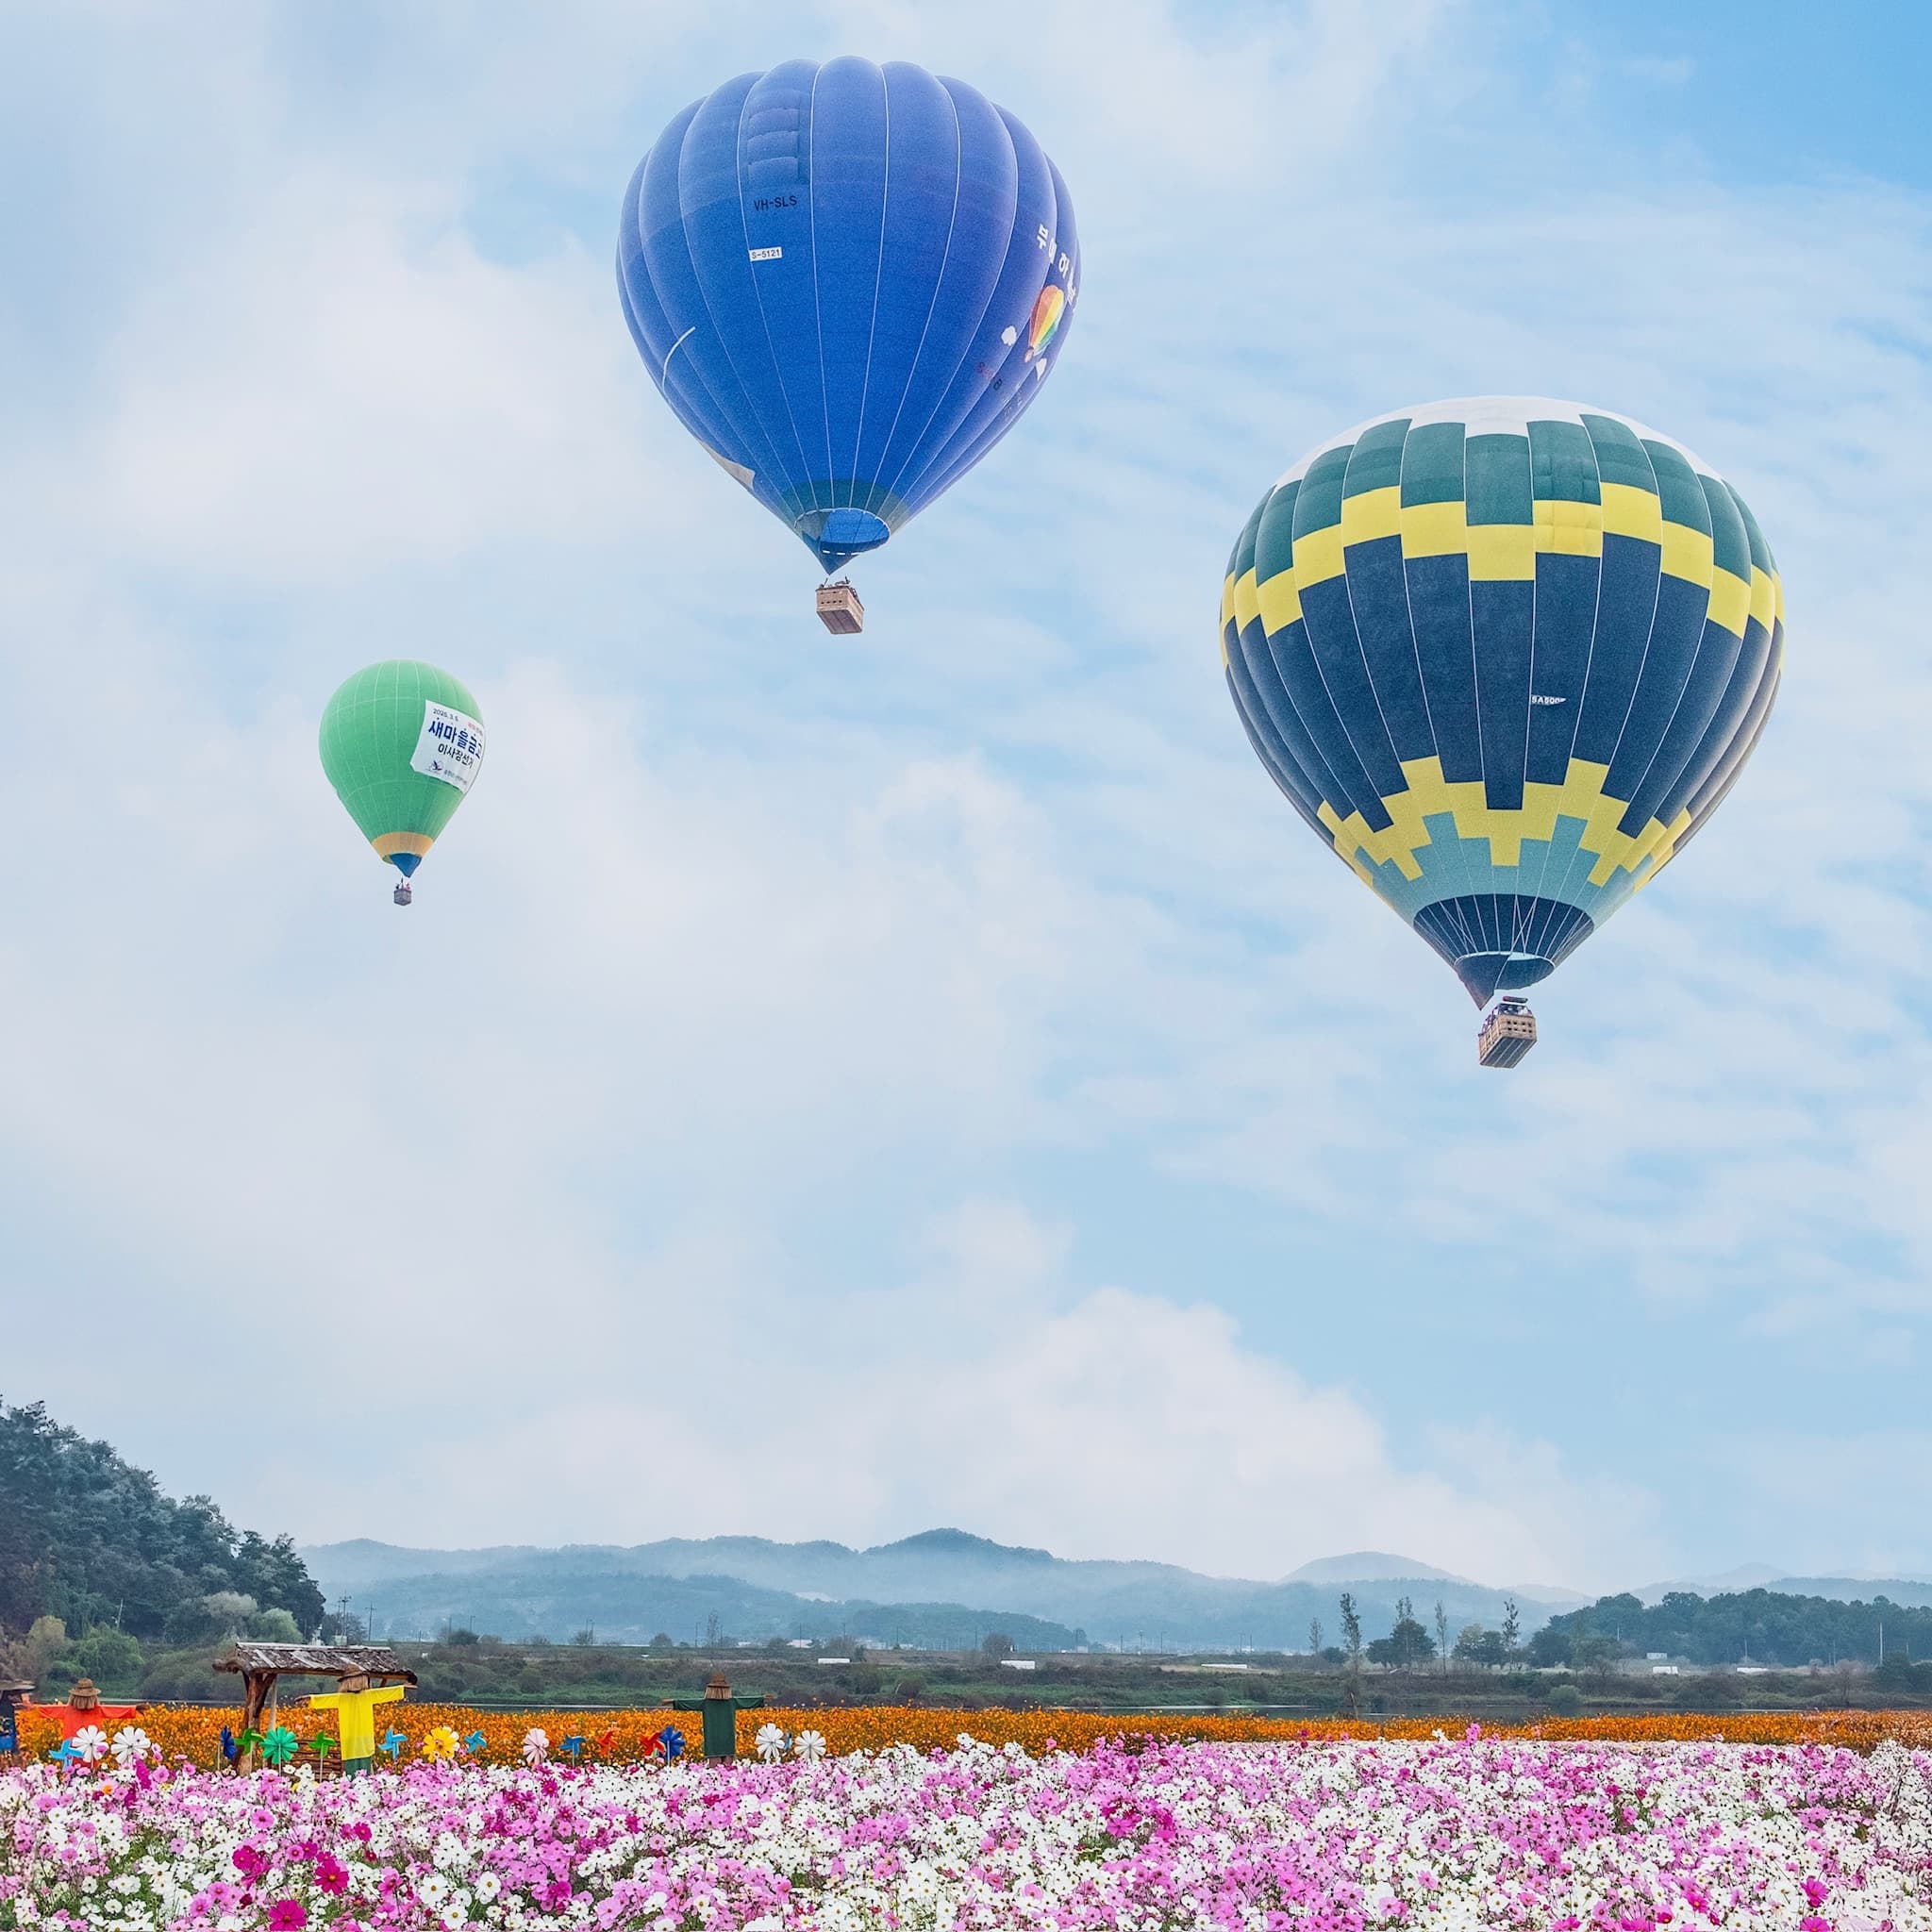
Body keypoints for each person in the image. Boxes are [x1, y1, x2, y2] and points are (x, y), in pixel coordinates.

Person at [307, 1673, 407, 1776]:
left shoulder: (367, 1695)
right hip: (351, 1738)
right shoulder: (342, 1698)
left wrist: (402, 1688)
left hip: (363, 1738)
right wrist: (311, 1699)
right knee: (352, 1769)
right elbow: (325, 1699)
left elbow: (385, 1693)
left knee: (365, 1766)